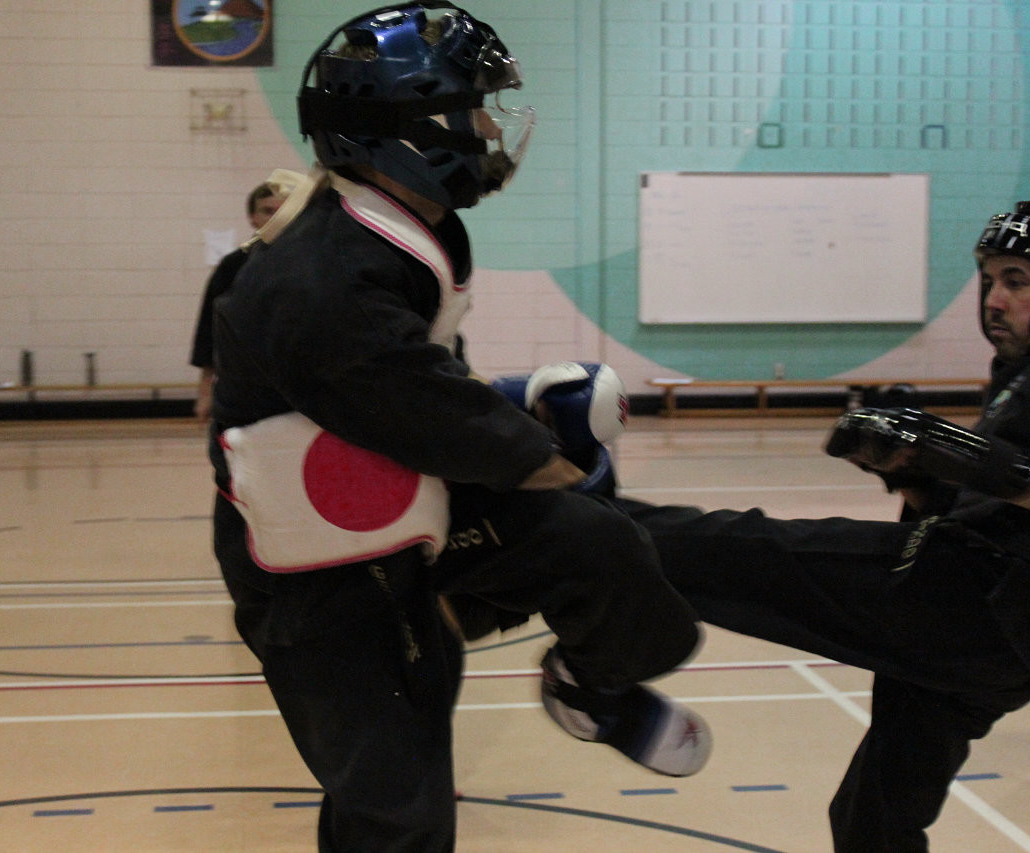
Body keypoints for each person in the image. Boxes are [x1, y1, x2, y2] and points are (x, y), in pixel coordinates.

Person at [206, 4, 710, 850]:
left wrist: (524, 408)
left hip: (408, 511)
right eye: (474, 111)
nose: (491, 129)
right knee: (397, 808)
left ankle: (586, 687)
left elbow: (418, 385)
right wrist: (555, 452)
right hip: (317, 578)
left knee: (605, 553)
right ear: (410, 128)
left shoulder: (395, 233)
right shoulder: (321, 279)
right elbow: (427, 412)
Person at [609, 200, 1030, 852]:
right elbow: (991, 504)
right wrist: (910, 471)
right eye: (987, 279)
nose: (992, 299)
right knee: (871, 818)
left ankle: (590, 521)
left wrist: (958, 453)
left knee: (753, 550)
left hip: (987, 608)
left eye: (1015, 280)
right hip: (987, 635)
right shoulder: (1026, 371)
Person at [189, 172, 297, 421]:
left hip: (298, 383)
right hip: (246, 385)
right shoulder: (233, 266)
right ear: (252, 218)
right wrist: (205, 389)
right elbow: (210, 328)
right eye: (268, 211)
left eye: (283, 210)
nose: (276, 217)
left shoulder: (313, 265)